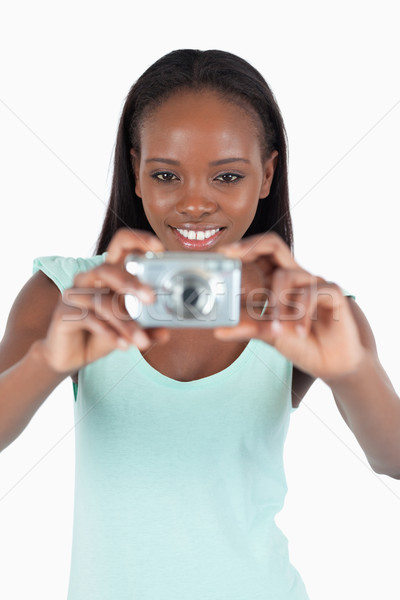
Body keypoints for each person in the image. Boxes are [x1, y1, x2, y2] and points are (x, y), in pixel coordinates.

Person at [0, 49, 399, 600]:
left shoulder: (309, 307)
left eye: (227, 176)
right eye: (166, 174)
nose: (194, 204)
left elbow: (392, 458)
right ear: (136, 173)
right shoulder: (68, 292)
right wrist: (49, 362)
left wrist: (352, 370)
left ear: (267, 176)